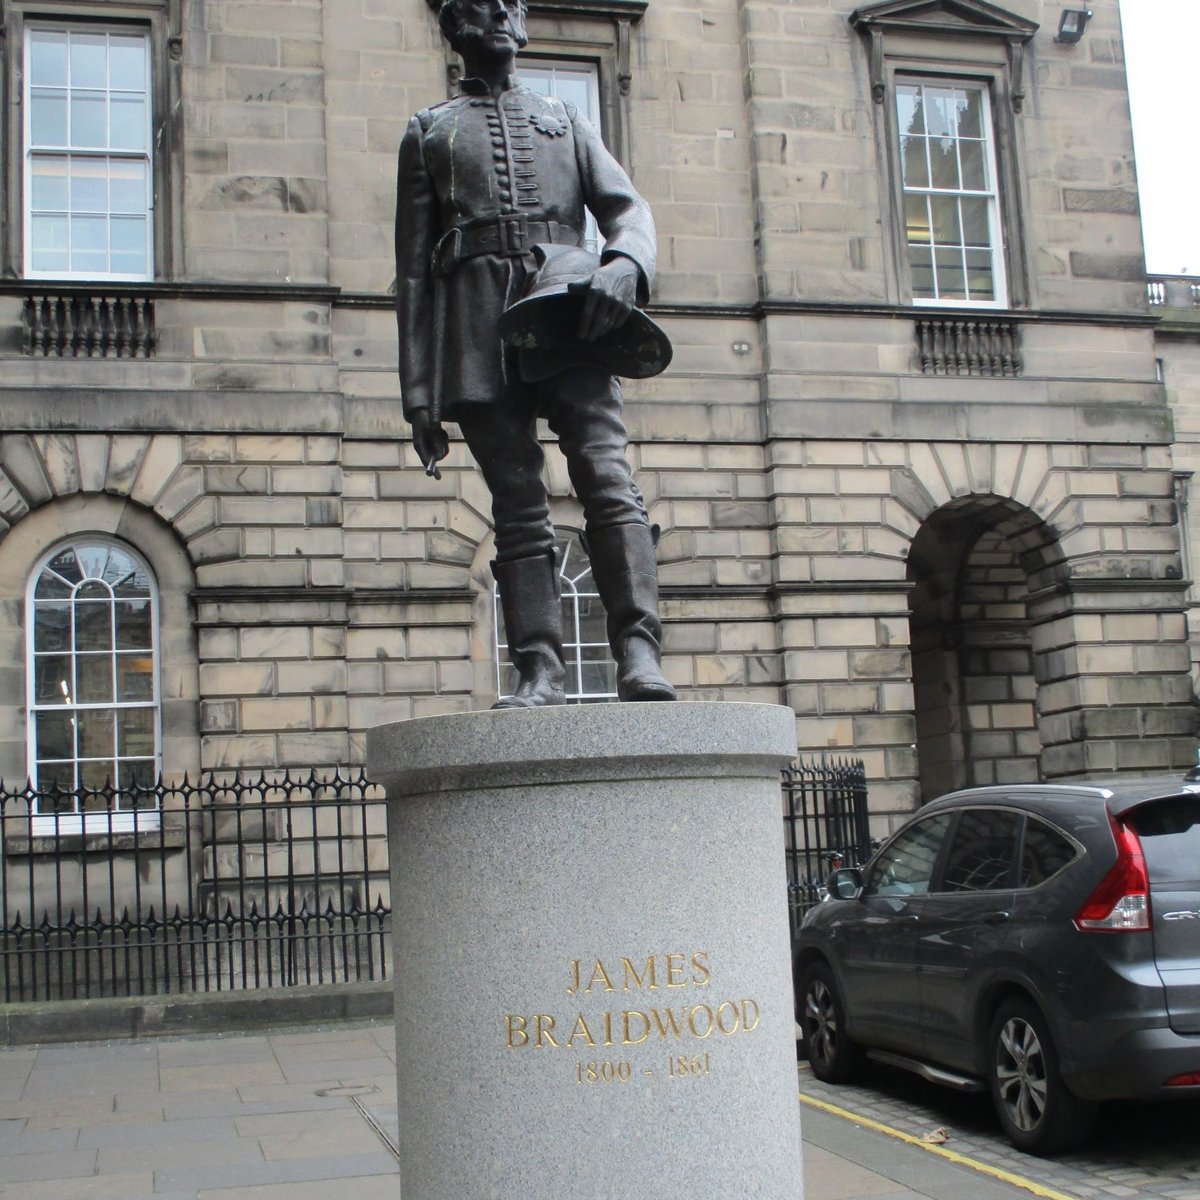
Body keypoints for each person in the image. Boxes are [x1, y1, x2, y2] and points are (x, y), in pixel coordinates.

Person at [395, 0, 676, 707]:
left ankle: (639, 651)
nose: (497, 16)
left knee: (608, 477)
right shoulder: (429, 131)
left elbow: (628, 210)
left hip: (569, 311)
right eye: (480, 6)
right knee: (517, 500)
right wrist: (420, 394)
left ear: (522, 22)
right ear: (453, 26)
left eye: (508, 6)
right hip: (475, 322)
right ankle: (540, 669)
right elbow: (413, 276)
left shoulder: (566, 118)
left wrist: (623, 266)